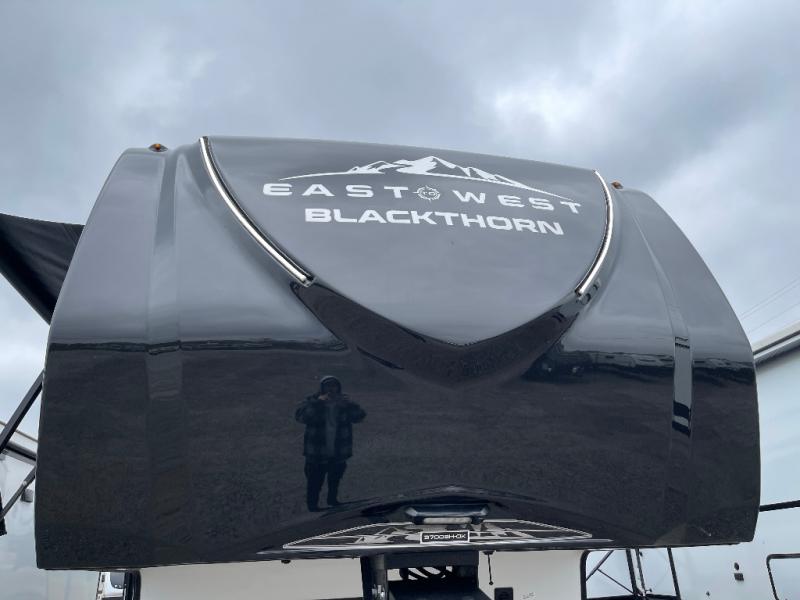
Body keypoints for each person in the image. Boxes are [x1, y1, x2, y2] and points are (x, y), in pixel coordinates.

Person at [295, 376, 366, 511]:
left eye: (334, 385)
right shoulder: (312, 401)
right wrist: (318, 403)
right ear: (321, 388)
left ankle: (333, 500)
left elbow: (360, 417)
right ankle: (313, 507)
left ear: (338, 388)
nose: (331, 389)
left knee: (335, 479)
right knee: (314, 481)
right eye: (327, 385)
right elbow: (301, 417)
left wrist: (348, 405)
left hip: (339, 451)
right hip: (317, 452)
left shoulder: (344, 402)